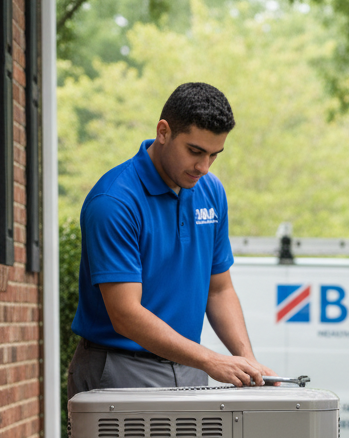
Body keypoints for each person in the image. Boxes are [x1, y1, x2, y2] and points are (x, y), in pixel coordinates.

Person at [66, 82, 272, 395]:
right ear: (164, 132)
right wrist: (210, 360)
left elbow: (219, 290)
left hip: (190, 367)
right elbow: (125, 314)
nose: (203, 167)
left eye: (214, 155)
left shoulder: (211, 192)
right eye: (195, 151)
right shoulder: (114, 201)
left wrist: (246, 360)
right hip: (120, 370)